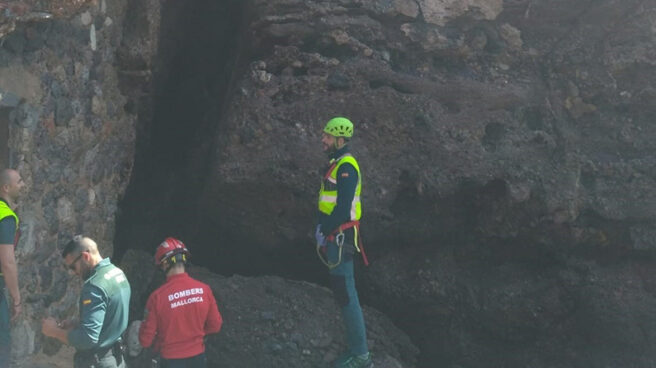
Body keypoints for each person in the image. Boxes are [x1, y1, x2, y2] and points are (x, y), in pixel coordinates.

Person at [315, 117, 372, 368]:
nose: (323, 140)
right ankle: (357, 351)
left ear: (340, 139)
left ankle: (361, 356)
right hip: (335, 235)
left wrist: (326, 230)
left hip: (341, 237)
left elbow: (342, 207)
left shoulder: (346, 166)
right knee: (343, 291)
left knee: (347, 294)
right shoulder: (337, 164)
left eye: (327, 136)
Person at [41, 235, 131, 368]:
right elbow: (110, 316)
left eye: (73, 267)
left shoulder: (94, 287)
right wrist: (77, 323)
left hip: (98, 361)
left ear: (85, 257)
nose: (73, 273)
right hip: (117, 359)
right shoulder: (117, 273)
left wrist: (53, 331)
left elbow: (88, 338)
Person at [139, 237, 222, 368]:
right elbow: (215, 325)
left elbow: (145, 340)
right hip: (198, 358)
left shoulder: (157, 297)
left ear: (165, 264)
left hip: (170, 360)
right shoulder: (204, 290)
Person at [0, 169, 24, 367]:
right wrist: (16, 299)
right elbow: (7, 262)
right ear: (6, 188)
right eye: (19, 181)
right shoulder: (6, 217)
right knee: (2, 338)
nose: (23, 185)